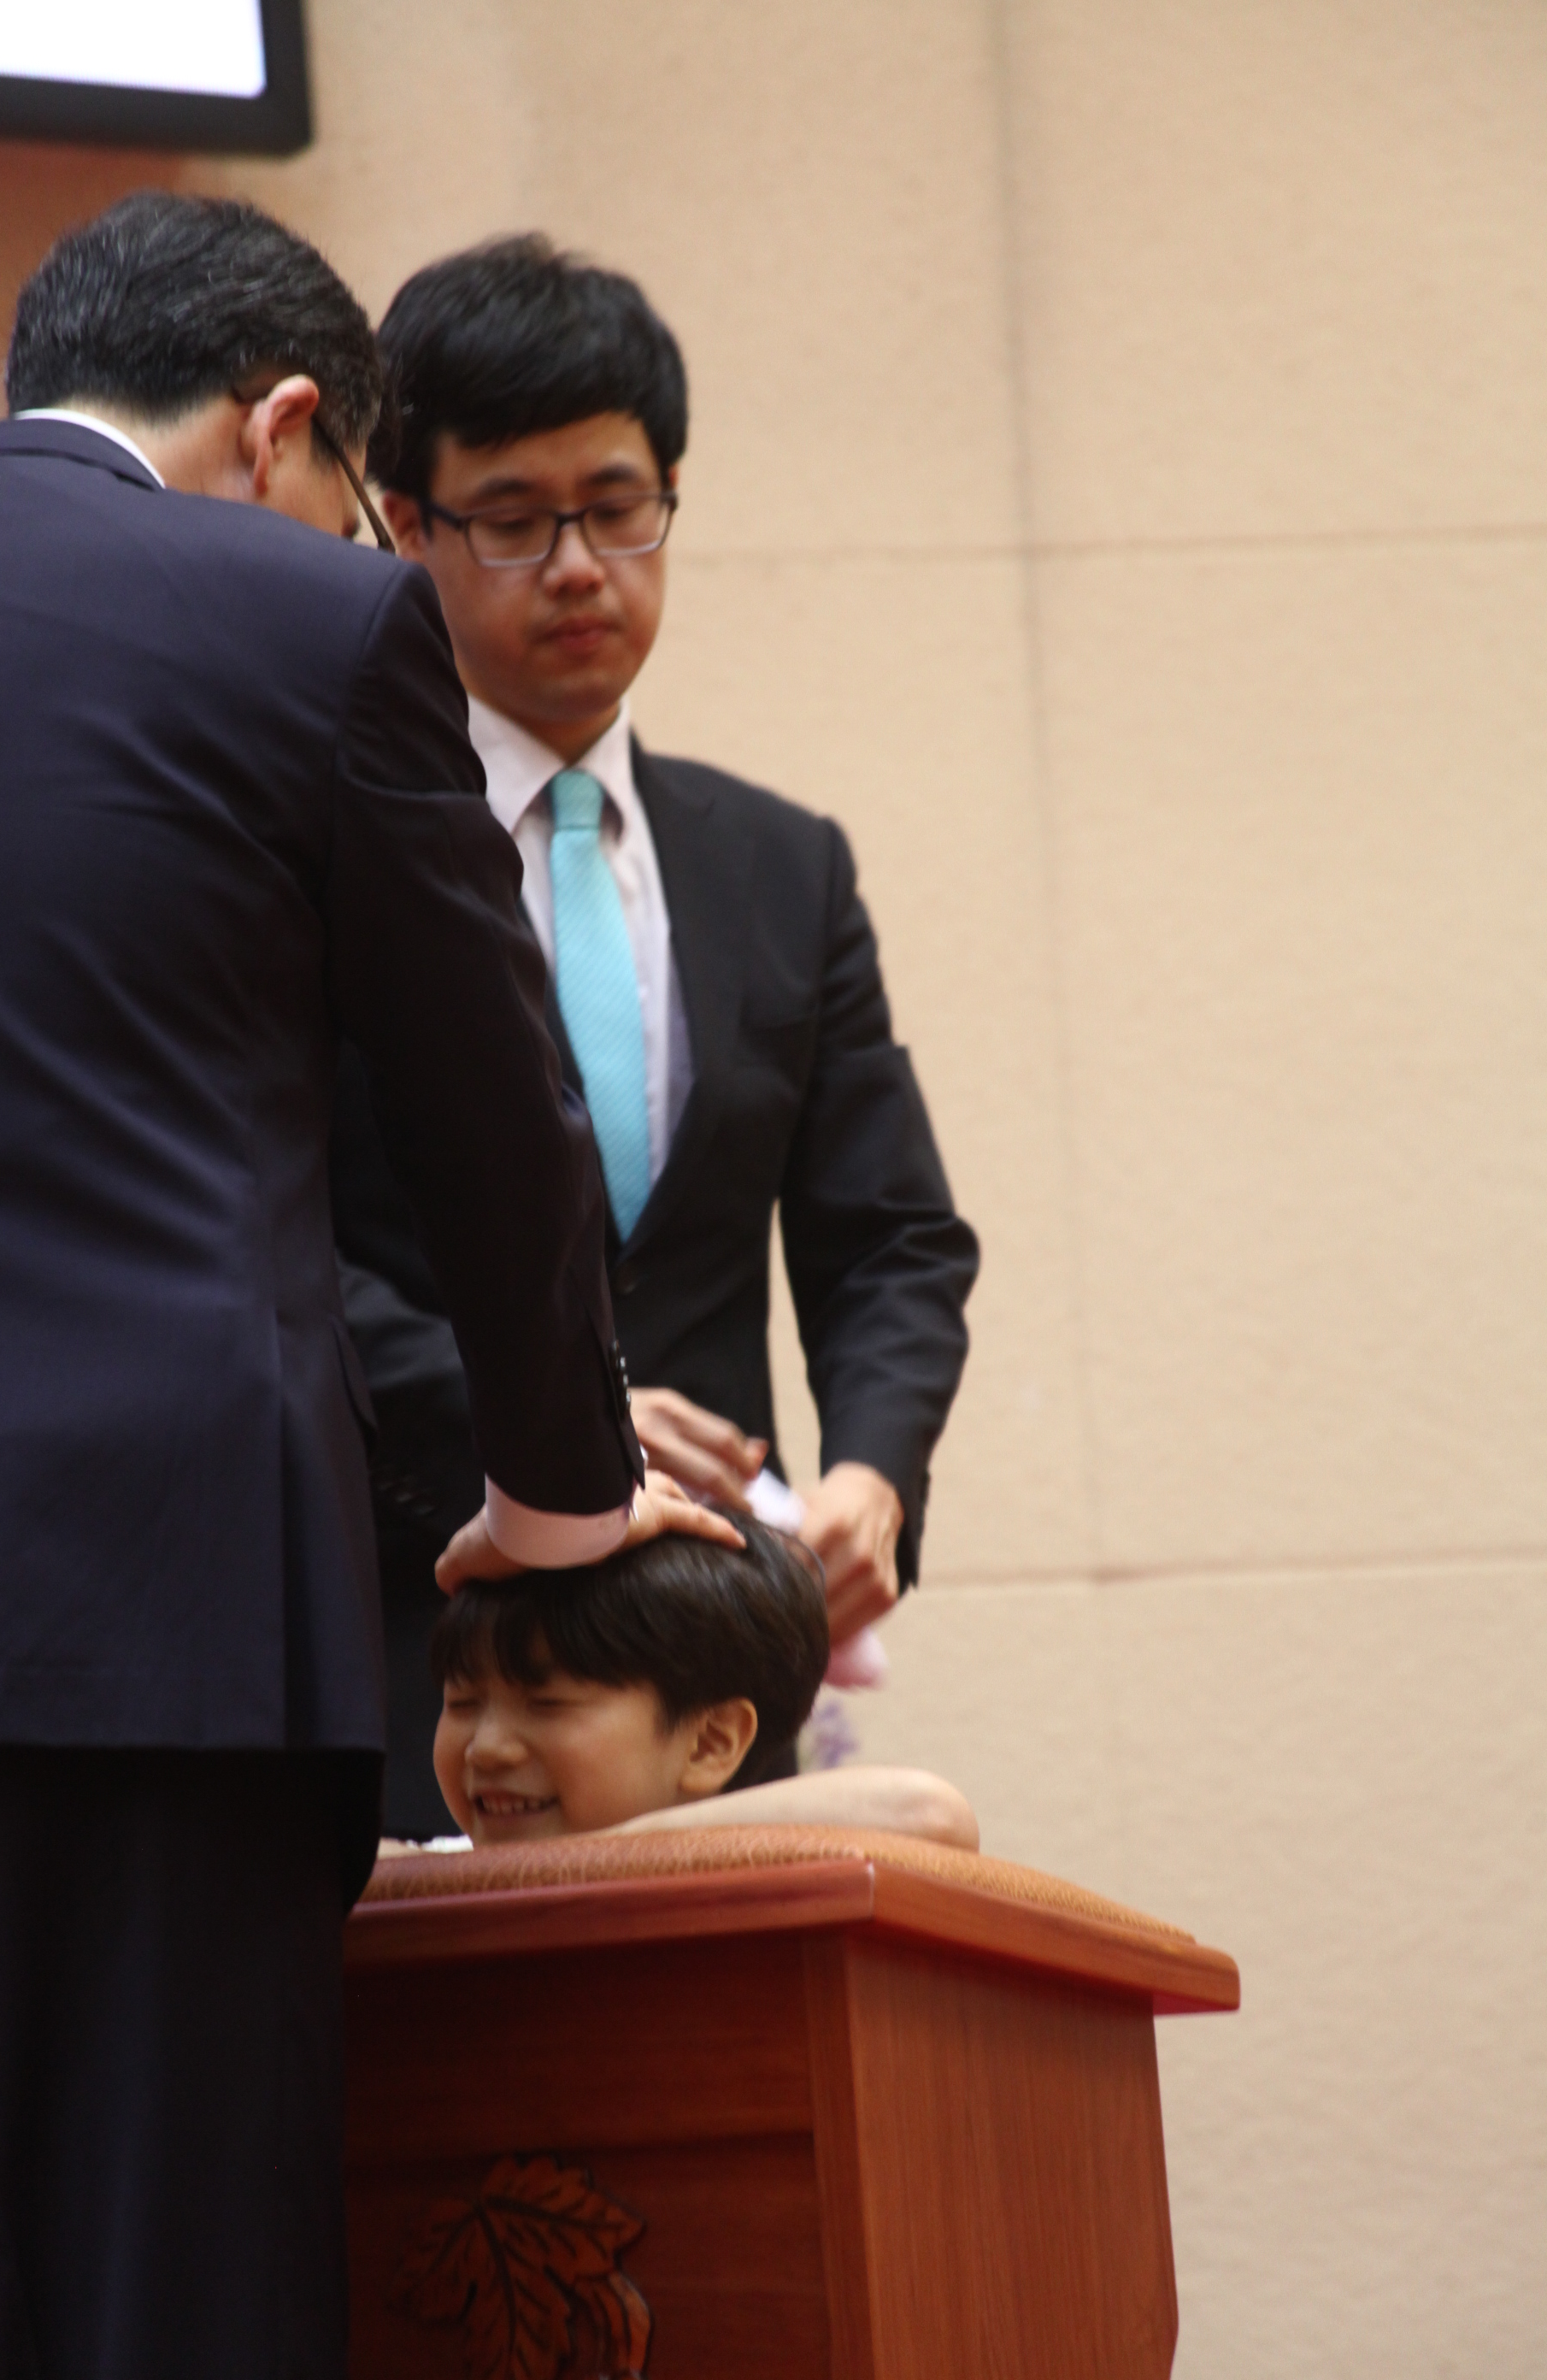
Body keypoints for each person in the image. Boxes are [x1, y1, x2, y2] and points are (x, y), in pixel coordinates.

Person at [0, 192, 736, 2380]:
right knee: (164, 2287)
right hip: (144, 1610)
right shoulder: (301, 619)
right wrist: (558, 1497)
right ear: (286, 422)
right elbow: (492, 1108)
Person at [331, 233, 981, 1834]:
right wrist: (543, 1413)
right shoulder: (317, 853)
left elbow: (892, 1239)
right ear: (406, 525)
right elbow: (264, 1239)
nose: (578, 566)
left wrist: (871, 1478)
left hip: (704, 1676)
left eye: (619, 507)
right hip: (417, 1640)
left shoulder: (782, 862)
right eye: (511, 518)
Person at [421, 1520, 979, 1851]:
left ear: (711, 1742)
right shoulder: (432, 1874)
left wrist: (588, 1860)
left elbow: (928, 1815)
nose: (486, 1748)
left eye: (547, 1704)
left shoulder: (752, 1873)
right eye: (462, 1703)